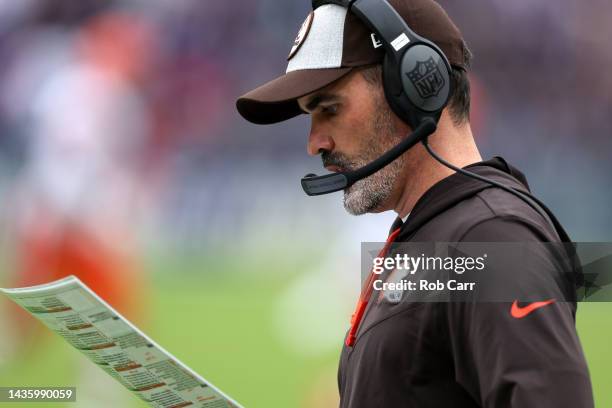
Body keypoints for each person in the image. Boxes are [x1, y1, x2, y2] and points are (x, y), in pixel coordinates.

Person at [236, 0, 594, 406]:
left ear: (414, 87)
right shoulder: (433, 232)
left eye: (330, 108)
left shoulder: (492, 239)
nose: (314, 142)